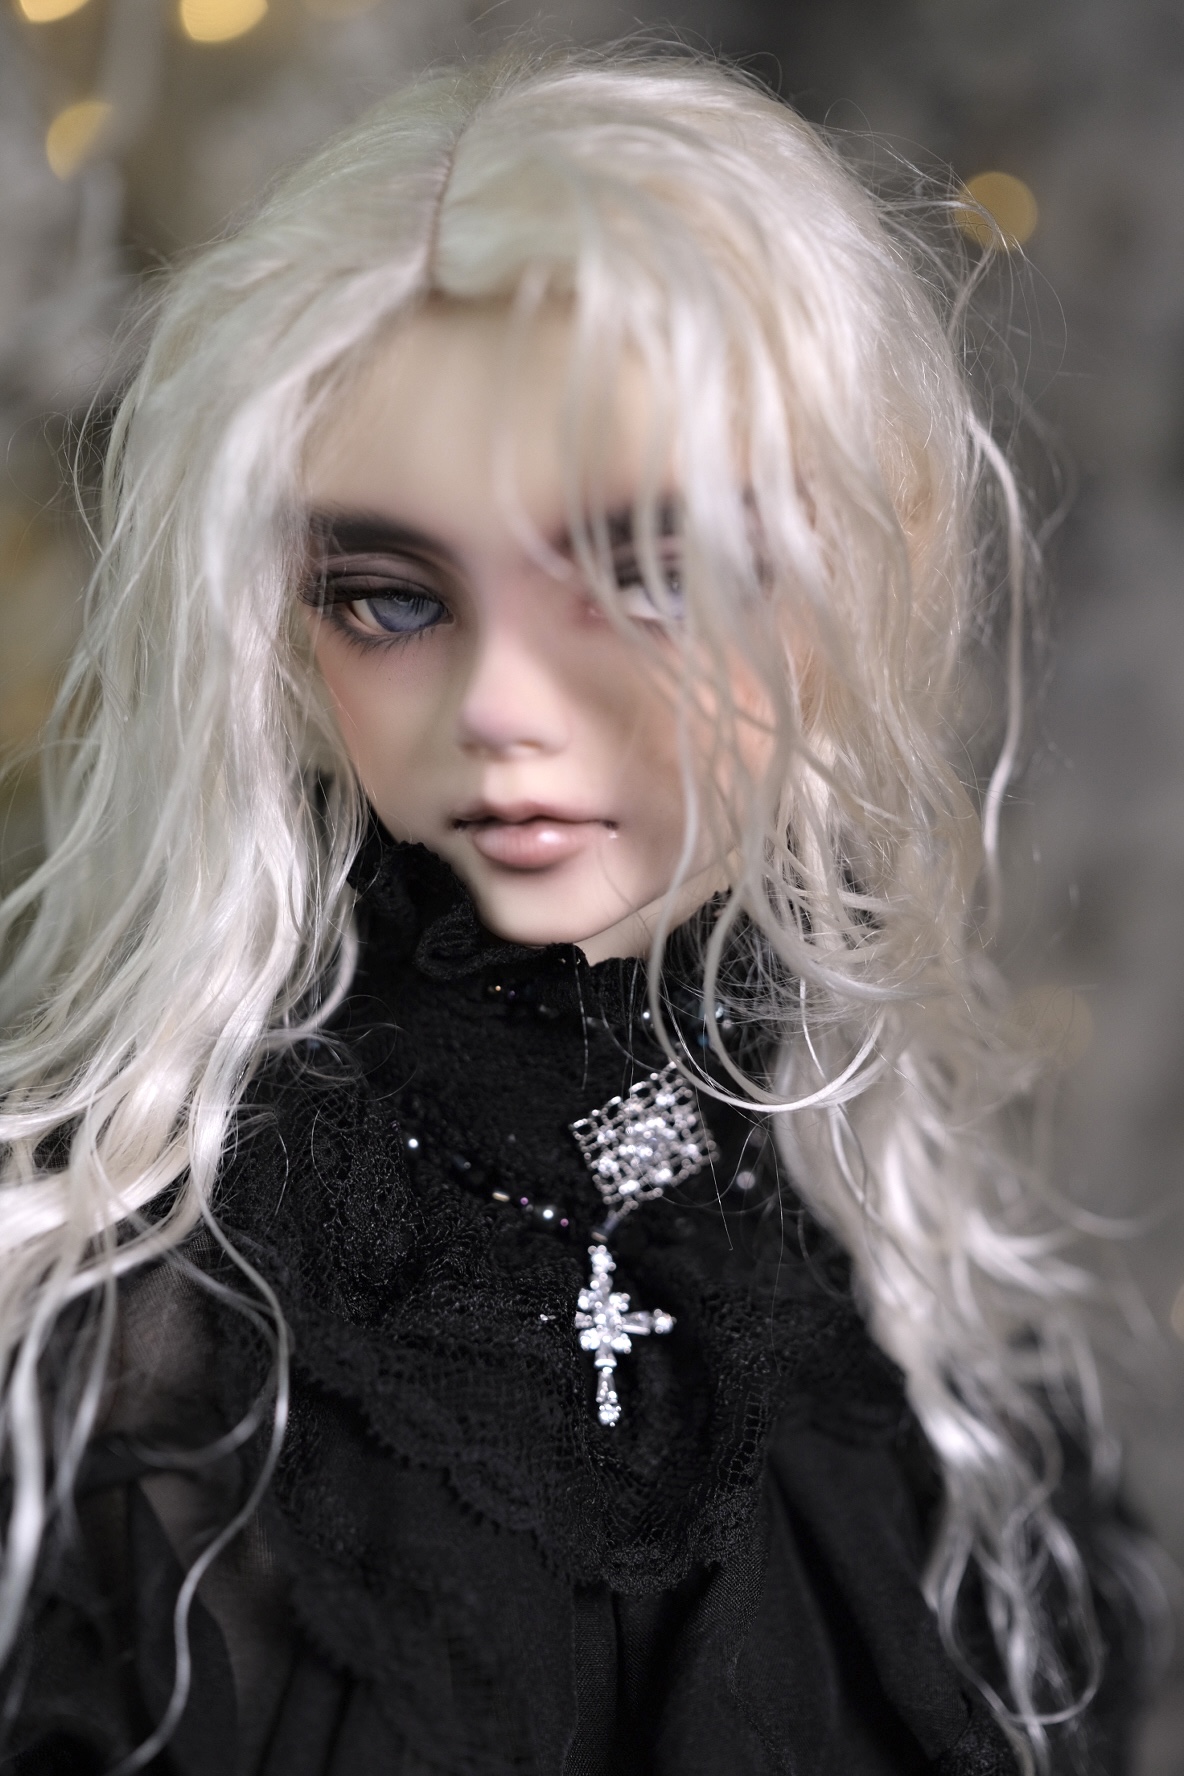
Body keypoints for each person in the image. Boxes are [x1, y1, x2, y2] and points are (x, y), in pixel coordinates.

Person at [0, 48, 1137, 1776]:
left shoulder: (938, 1361)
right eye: (389, 601)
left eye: (642, 579)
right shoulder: (139, 1348)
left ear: (847, 582)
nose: (502, 710)